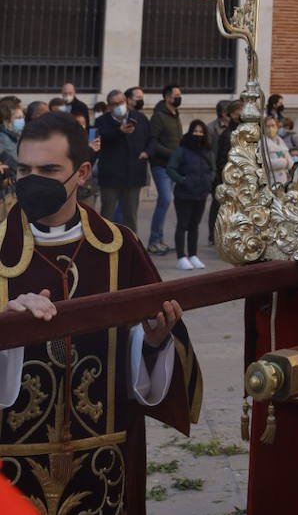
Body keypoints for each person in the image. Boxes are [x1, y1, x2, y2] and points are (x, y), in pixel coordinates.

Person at [0, 112, 202, 512]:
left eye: (49, 169)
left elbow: (157, 343)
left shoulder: (119, 246)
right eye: (25, 169)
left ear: (82, 172)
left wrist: (153, 342)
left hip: (101, 453)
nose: (32, 179)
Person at [95, 86, 151, 232]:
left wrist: (147, 152)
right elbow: (102, 138)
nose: (119, 106)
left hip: (133, 174)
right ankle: (103, 245)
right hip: (111, 176)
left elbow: (151, 139)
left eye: (121, 102)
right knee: (107, 214)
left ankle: (131, 247)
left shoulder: (139, 118)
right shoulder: (102, 121)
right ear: (109, 106)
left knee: (130, 215)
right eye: (114, 104)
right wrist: (119, 131)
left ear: (126, 101)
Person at [167, 118, 213, 269]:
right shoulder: (181, 151)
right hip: (184, 194)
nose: (198, 134)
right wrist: (182, 180)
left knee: (195, 225)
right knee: (183, 225)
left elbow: (213, 169)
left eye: (200, 131)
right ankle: (181, 256)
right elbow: (171, 169)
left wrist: (208, 181)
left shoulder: (207, 151)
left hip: (201, 194)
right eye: (195, 131)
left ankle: (193, 255)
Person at [148, 83, 183, 255]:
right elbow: (153, 142)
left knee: (166, 201)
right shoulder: (159, 116)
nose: (179, 97)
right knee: (165, 199)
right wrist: (172, 154)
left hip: (173, 167)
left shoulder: (175, 114)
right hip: (160, 165)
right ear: (167, 97)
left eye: (179, 94)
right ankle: (154, 240)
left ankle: (160, 240)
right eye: (176, 94)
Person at [212, 99, 243, 242]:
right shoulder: (228, 134)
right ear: (231, 114)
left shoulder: (245, 132)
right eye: (238, 113)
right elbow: (222, 160)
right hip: (231, 178)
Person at [262, 115, 294, 187]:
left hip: (284, 179)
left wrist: (289, 163)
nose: (271, 128)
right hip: (270, 179)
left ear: (277, 126)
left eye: (273, 125)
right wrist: (283, 162)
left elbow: (289, 159)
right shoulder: (262, 143)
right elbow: (265, 163)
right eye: (268, 126)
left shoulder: (280, 140)